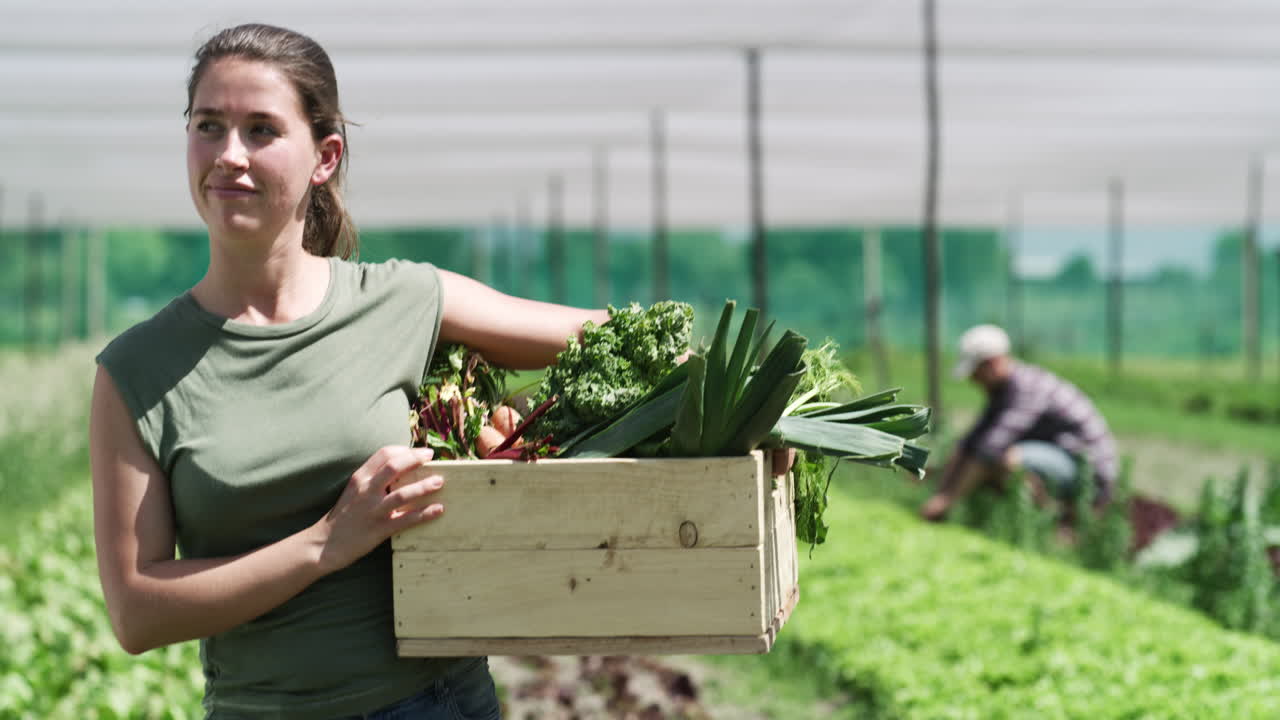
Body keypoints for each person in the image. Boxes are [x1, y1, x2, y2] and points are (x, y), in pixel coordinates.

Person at [89, 23, 612, 719]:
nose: (228, 155)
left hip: (435, 703)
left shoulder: (404, 300)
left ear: (324, 157)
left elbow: (616, 342)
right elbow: (138, 611)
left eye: (262, 130)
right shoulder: (136, 372)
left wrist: (758, 419)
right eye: (208, 125)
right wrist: (324, 545)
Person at [919, 324, 1117, 524]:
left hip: (1087, 470)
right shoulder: (1003, 392)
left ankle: (1057, 522)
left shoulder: (1027, 388)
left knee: (1004, 461)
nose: (974, 381)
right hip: (1059, 457)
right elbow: (970, 442)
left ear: (993, 363)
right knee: (992, 461)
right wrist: (941, 490)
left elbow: (989, 449)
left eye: (976, 373)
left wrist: (946, 501)